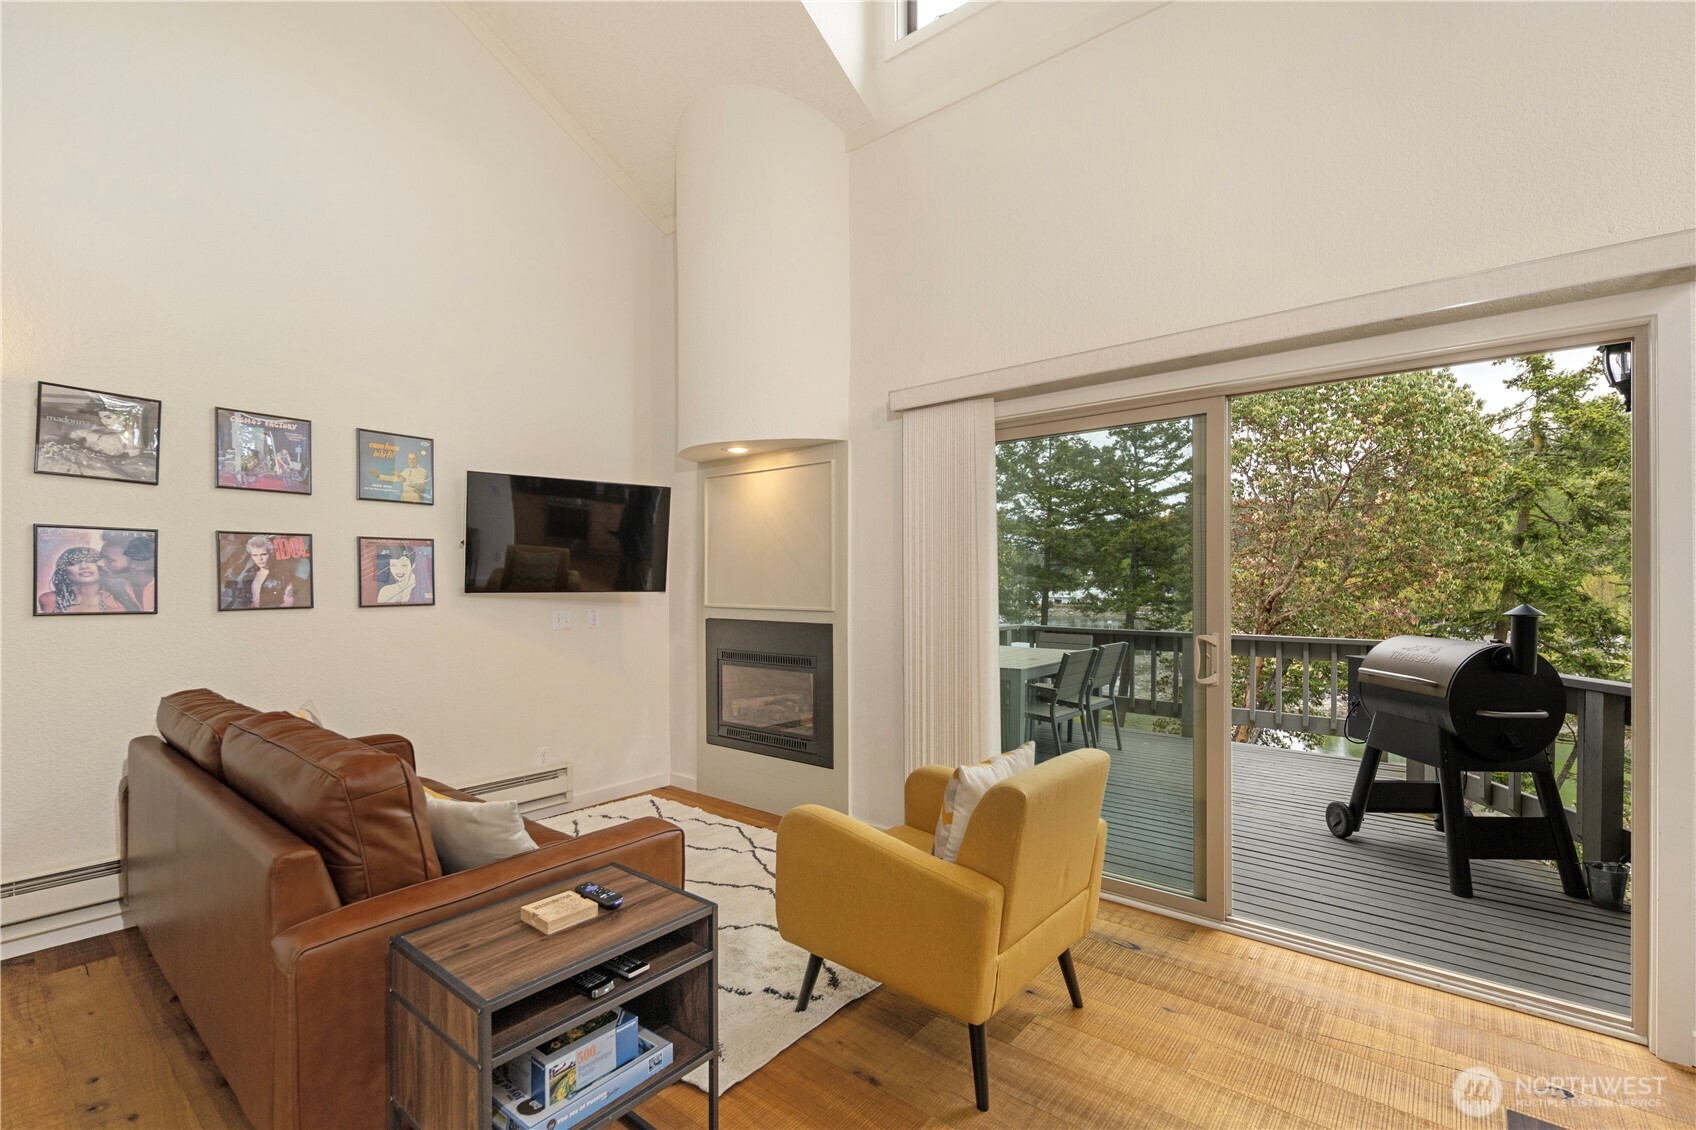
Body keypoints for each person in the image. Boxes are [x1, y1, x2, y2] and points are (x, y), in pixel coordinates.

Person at [39, 546, 125, 613]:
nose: (84, 566)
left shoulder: (119, 600)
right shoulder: (48, 600)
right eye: (74, 562)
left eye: (91, 560)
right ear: (63, 571)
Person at [227, 535, 296, 608]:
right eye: (255, 555)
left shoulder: (284, 575)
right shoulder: (249, 575)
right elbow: (241, 601)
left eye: (264, 554)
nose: (259, 559)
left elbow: (288, 603)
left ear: (271, 553)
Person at [99, 533, 156, 612]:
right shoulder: (109, 593)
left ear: (138, 565)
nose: (100, 564)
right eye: (101, 558)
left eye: (109, 560)